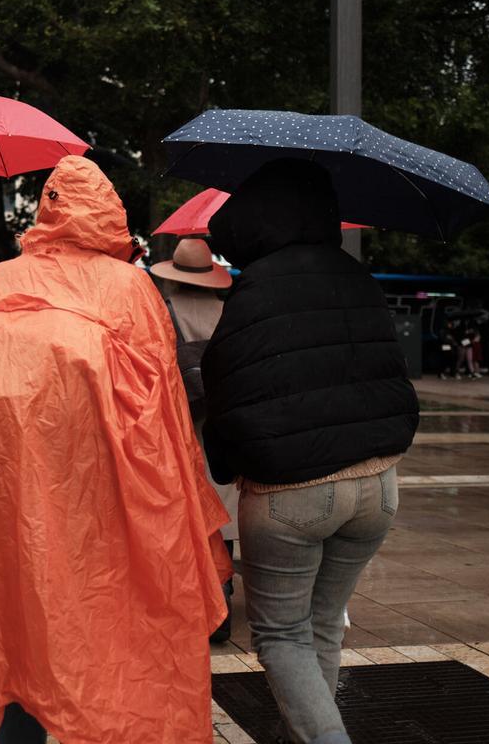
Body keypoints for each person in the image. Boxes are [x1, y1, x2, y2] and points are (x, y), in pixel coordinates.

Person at [0, 156, 232, 743]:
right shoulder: (132, 290)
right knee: (100, 649)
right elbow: (168, 417)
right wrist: (191, 515)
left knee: (7, 633)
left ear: (46, 209)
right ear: (110, 216)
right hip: (99, 512)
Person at [201, 159, 419, 744]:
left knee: (281, 636)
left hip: (290, 493)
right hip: (378, 486)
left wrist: (223, 466)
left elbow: (228, 393)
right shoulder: (355, 277)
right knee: (322, 626)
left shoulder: (256, 289)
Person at [150, 236, 238, 644]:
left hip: (183, 421)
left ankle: (200, 594)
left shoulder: (164, 311)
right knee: (226, 505)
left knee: (193, 508)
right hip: (224, 421)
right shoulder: (230, 313)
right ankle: (225, 589)